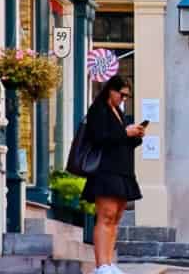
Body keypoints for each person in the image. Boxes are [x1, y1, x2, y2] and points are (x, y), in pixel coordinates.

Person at [76, 75, 150, 274]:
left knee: (116, 217)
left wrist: (136, 136)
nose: (123, 99)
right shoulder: (98, 109)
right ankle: (101, 265)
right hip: (105, 170)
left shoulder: (118, 112)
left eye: (127, 96)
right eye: (122, 94)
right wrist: (126, 133)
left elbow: (120, 140)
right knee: (106, 215)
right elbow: (100, 137)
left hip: (122, 169)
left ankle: (109, 262)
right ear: (111, 90)